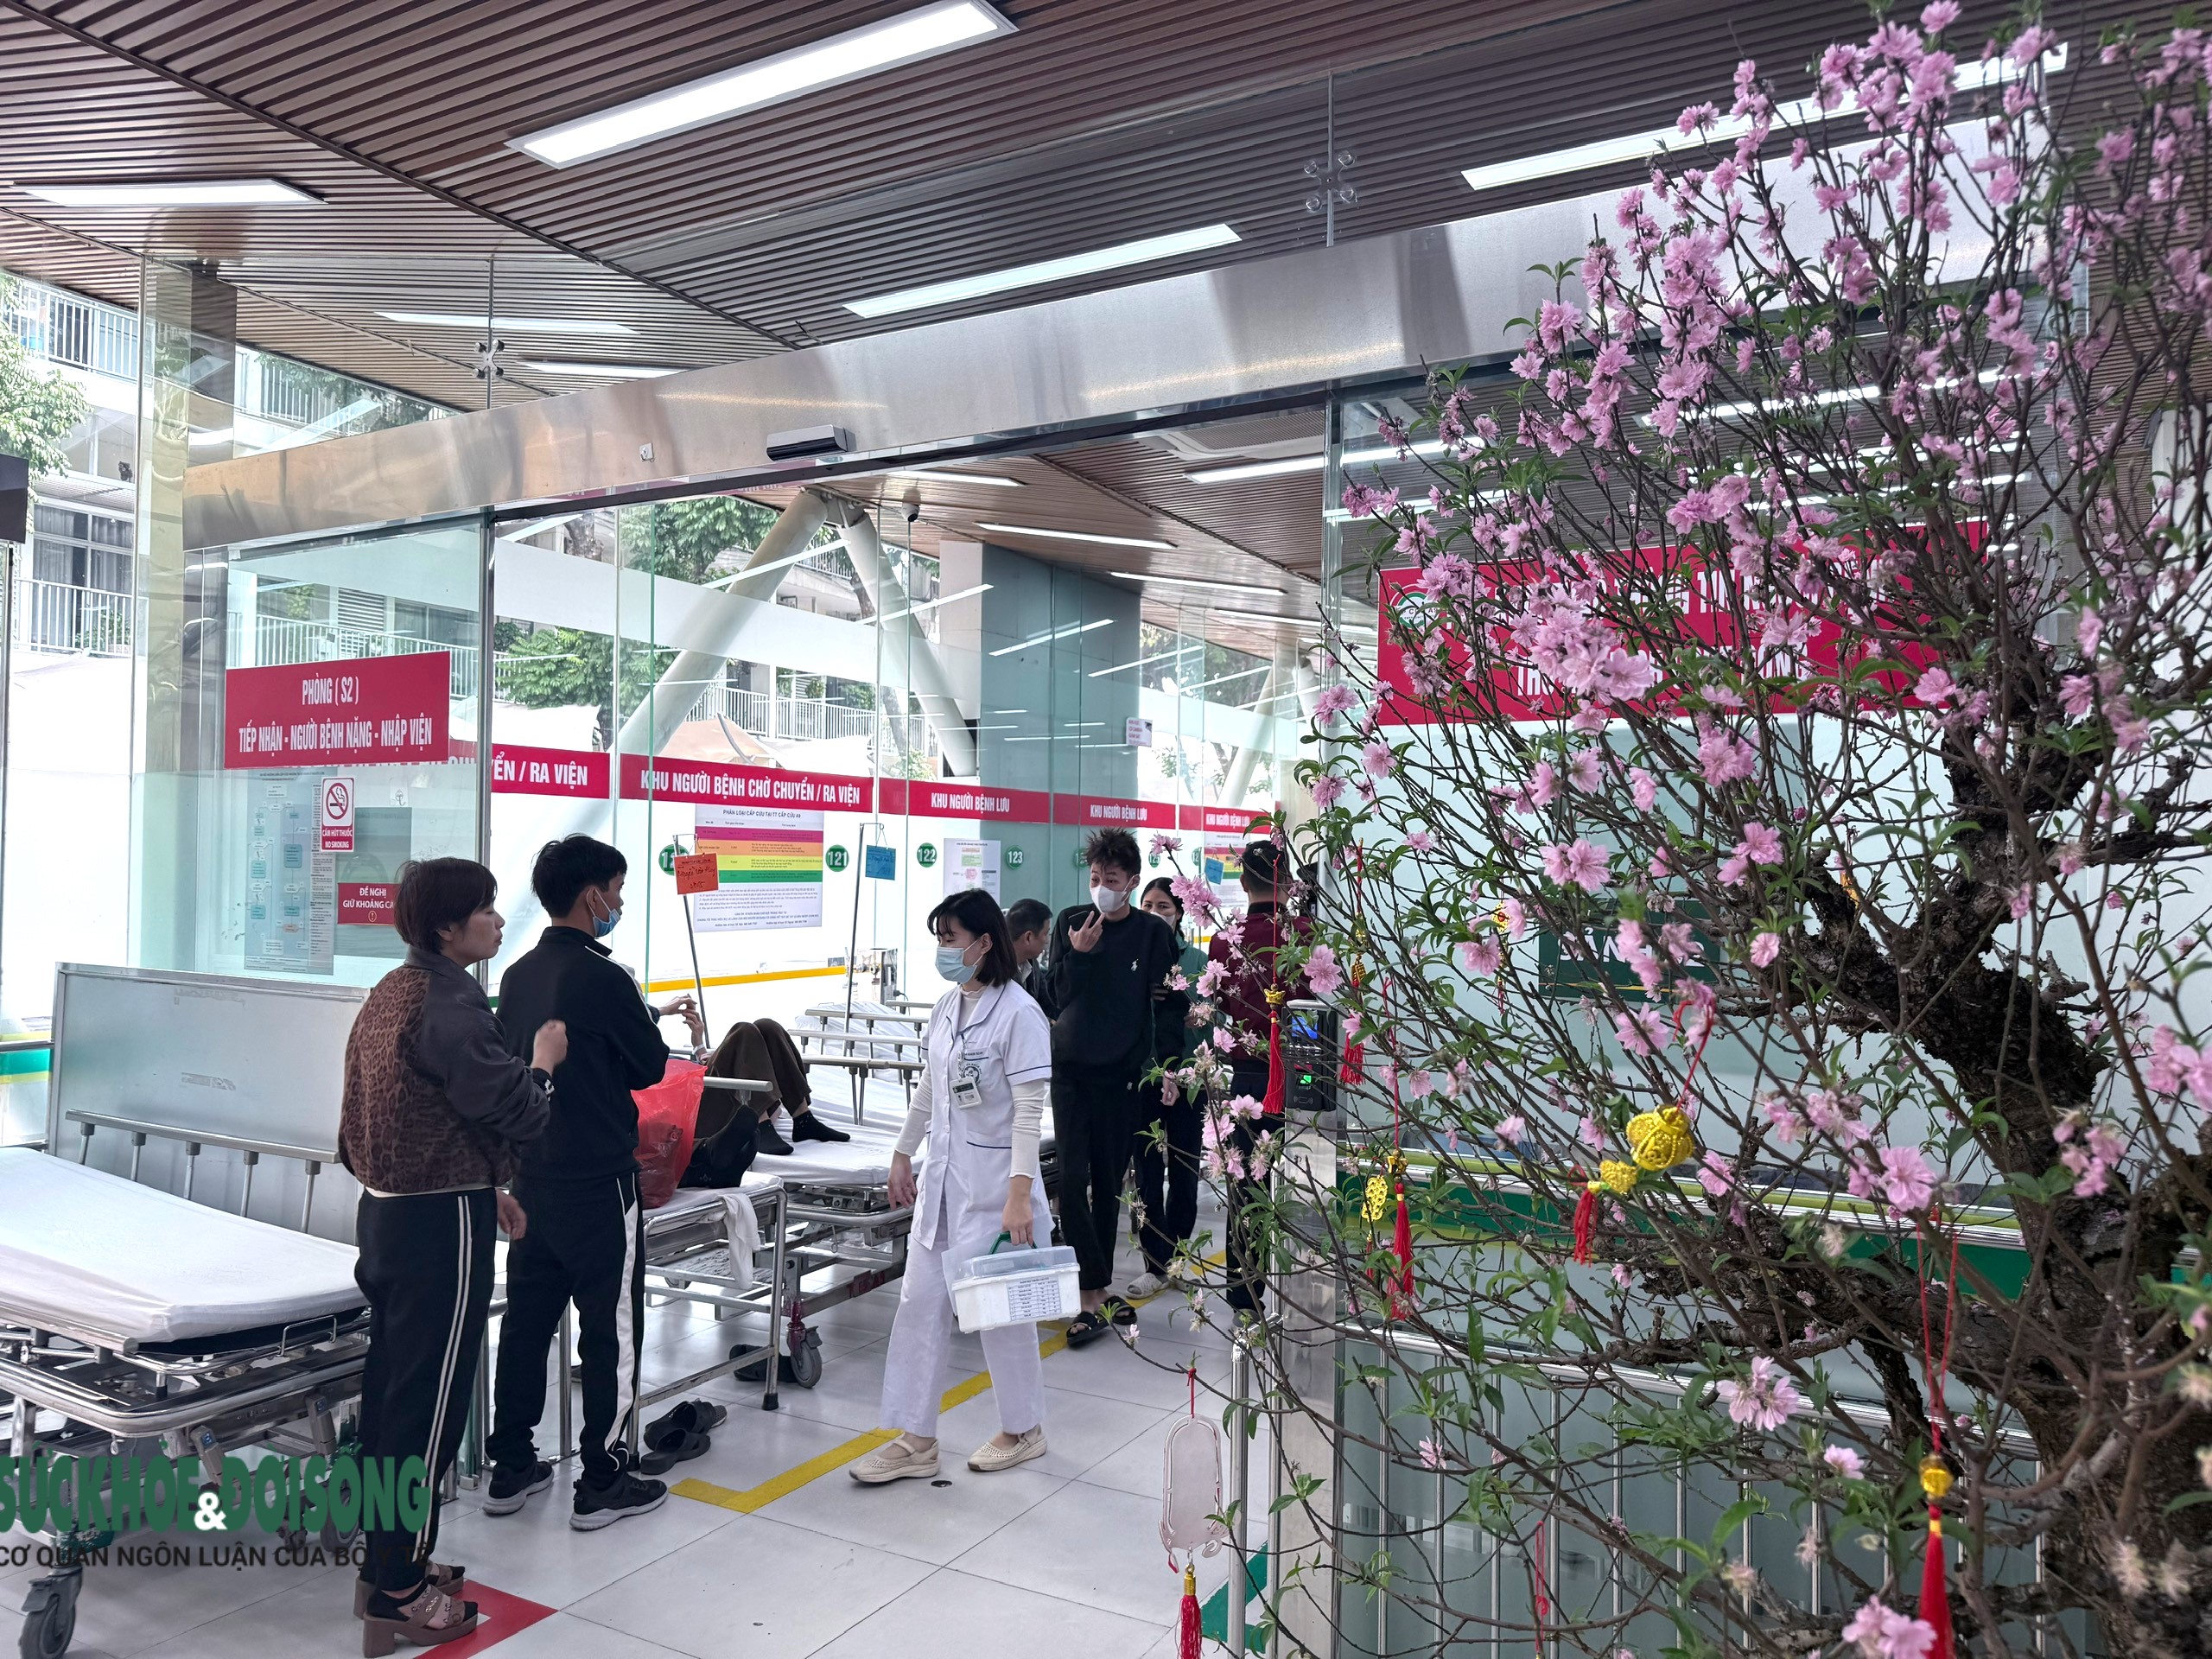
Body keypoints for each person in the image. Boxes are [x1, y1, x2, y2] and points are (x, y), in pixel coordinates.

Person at [338, 858, 563, 1650]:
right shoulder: (453, 1007)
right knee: (430, 1407)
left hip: (389, 1213)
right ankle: (400, 1591)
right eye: (485, 910)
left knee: (392, 1394)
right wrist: (544, 1063)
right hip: (440, 1228)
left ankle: (386, 1562)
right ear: (446, 927)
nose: (497, 922)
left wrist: (480, 1179)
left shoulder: (391, 993)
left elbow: (392, 1114)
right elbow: (518, 1109)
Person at [483, 835, 705, 1531]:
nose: (618, 903)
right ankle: (603, 1477)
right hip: (600, 1184)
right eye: (616, 890)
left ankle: (510, 1465)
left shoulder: (516, 976)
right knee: (610, 1329)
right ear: (591, 896)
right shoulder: (609, 979)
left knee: (526, 1324)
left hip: (532, 1176)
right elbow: (648, 1067)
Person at [850, 888, 1055, 1484]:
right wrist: (902, 1152)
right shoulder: (946, 1007)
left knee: (1000, 1313)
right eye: (938, 937)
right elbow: (930, 1089)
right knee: (919, 1305)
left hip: (995, 1189)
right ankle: (916, 1439)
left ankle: (1024, 1429)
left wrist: (1019, 1194)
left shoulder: (1019, 1013)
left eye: (950, 938)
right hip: (942, 1183)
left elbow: (1029, 1112)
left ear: (984, 942)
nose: (942, 948)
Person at [1046, 828, 1188, 1346]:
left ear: (1131, 881)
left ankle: (1097, 1291)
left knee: (1108, 1184)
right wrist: (1078, 954)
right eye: (1094, 878)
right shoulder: (1071, 923)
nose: (1101, 887)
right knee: (1072, 1179)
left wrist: (1167, 1067)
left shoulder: (1151, 934)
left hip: (1122, 1075)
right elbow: (1054, 997)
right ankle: (1091, 1290)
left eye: (1111, 878)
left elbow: (1169, 1008)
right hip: (1071, 1071)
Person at [1208, 838, 1309, 1313]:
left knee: (1246, 1185)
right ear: (1286, 881)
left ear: (1243, 883)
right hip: (1301, 1073)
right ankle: (1306, 1292)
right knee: (1303, 1180)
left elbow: (1220, 1003)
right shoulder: (1305, 933)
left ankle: (1245, 1298)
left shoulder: (1225, 940)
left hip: (1248, 1078)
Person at [1126, 876, 1209, 1300]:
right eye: (1147, 905)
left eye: (1163, 907)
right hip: (1142, 1078)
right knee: (1145, 1174)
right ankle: (1153, 1264)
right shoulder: (1130, 958)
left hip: (1190, 1080)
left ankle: (1177, 1258)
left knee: (1184, 1171)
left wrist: (1198, 1016)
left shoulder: (1197, 961)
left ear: (1178, 914)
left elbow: (1209, 1022)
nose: (1154, 914)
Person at [1006, 897, 1056, 1016]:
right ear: (1028, 937)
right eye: (1045, 934)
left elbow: (1046, 1003)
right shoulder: (997, 973)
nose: (1047, 940)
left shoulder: (1031, 963)